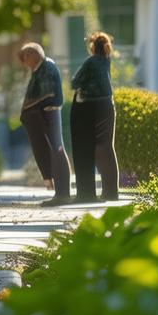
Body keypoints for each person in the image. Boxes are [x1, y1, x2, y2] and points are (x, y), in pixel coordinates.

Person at [18, 42, 72, 206]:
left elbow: (46, 94)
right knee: (53, 149)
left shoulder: (47, 66)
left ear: (32, 55)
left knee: (57, 149)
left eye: (24, 58)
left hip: (49, 112)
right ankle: (59, 193)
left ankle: (63, 194)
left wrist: (26, 108)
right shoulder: (40, 68)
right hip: (43, 113)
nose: (24, 63)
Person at [69, 31, 120, 202]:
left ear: (92, 46)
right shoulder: (106, 61)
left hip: (90, 108)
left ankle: (87, 193)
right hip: (108, 105)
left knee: (89, 149)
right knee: (106, 147)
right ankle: (111, 192)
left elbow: (74, 82)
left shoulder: (91, 62)